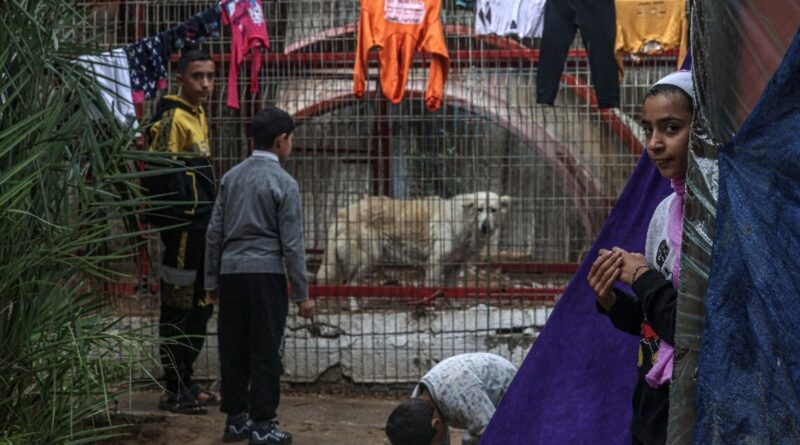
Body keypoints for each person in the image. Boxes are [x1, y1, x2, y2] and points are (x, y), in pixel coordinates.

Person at [587, 70, 694, 445]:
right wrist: (613, 301)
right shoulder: (664, 213)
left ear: (702, 132)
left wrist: (645, 278)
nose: (655, 143)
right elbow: (656, 325)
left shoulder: (721, 223)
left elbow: (697, 332)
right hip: (652, 404)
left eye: (671, 128)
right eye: (648, 130)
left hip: (693, 408)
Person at [204, 106, 316, 444]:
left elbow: (214, 233)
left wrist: (211, 281)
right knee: (267, 350)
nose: (291, 144)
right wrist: (302, 294)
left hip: (231, 274)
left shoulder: (231, 177)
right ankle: (263, 425)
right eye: (291, 138)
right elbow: (293, 246)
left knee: (233, 347)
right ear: (281, 141)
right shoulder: (284, 183)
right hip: (266, 277)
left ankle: (236, 420)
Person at [144, 49, 219, 415]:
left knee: (200, 305)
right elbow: (160, 176)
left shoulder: (198, 113)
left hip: (202, 229)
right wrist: (181, 216)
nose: (205, 83)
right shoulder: (173, 117)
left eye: (210, 76)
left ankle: (187, 379)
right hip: (183, 231)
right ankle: (174, 387)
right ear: (180, 78)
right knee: (177, 305)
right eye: (197, 76)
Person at [385, 352, 518, 445]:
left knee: (475, 440)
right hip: (473, 390)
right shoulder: (417, 405)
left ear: (436, 424)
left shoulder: (461, 397)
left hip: (511, 391)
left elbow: (493, 433)